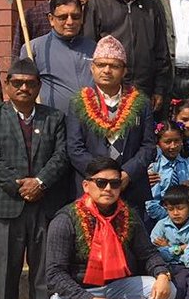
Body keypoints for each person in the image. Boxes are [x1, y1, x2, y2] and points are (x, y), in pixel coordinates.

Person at [45, 156, 175, 299]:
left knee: (167, 291)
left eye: (114, 183)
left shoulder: (128, 216)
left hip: (114, 287)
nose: (108, 189)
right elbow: (54, 274)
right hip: (76, 292)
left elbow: (148, 253)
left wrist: (161, 273)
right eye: (101, 183)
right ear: (86, 186)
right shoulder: (65, 220)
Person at [0, 62, 70, 299]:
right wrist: (18, 185)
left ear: (39, 86)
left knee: (43, 266)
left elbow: (62, 155)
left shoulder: (54, 117)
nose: (24, 88)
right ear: (7, 85)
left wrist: (40, 182)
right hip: (7, 203)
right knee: (5, 267)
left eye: (30, 83)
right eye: (18, 83)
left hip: (44, 202)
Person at [65, 36, 155, 213]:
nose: (106, 70)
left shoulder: (140, 102)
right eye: (101, 65)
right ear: (92, 68)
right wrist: (102, 177)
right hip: (92, 188)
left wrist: (127, 174)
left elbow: (149, 146)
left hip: (131, 187)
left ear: (124, 71)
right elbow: (74, 148)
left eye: (114, 66)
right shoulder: (79, 103)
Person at [83, 0, 170, 110]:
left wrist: (159, 89)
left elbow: (161, 52)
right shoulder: (97, 3)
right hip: (109, 89)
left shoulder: (152, 5)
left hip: (144, 89)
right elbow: (88, 50)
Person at [22, 0, 95, 111]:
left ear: (82, 18)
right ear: (51, 19)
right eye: (63, 17)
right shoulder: (34, 48)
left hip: (90, 123)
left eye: (75, 16)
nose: (70, 22)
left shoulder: (94, 48)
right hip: (53, 125)